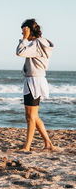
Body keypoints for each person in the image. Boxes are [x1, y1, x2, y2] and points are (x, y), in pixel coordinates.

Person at [16, 18, 54, 151]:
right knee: (32, 116)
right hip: (32, 80)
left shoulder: (36, 44)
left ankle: (27, 146)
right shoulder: (37, 44)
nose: (22, 35)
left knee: (31, 117)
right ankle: (48, 143)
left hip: (34, 81)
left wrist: (24, 39)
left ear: (30, 31)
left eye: (24, 32)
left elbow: (20, 52)